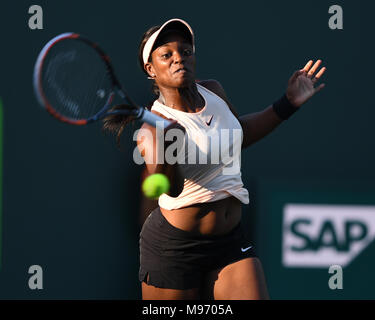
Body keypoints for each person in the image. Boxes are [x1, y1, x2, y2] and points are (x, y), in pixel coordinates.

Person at [103, 18, 326, 300]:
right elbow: (170, 189)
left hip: (230, 241)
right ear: (151, 69)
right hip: (175, 249)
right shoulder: (151, 132)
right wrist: (170, 146)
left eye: (185, 51)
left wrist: (288, 103)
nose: (178, 59)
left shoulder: (214, 91)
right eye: (166, 55)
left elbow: (239, 135)